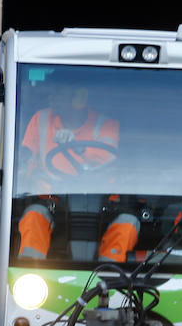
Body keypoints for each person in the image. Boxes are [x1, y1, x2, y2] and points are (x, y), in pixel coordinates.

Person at [16, 76, 140, 263]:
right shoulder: (40, 119)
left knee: (128, 223)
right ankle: (28, 271)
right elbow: (25, 157)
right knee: (33, 216)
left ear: (79, 97)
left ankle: (108, 275)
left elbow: (104, 161)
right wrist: (23, 174)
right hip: (53, 198)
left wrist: (77, 146)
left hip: (103, 202)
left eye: (58, 92)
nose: (52, 97)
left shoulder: (106, 126)